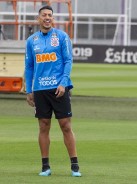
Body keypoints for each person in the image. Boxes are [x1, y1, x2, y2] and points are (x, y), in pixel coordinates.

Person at [25, 5, 81, 177]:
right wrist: (29, 90)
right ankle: (45, 167)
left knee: (65, 125)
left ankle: (75, 166)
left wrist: (63, 83)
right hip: (40, 89)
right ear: (38, 19)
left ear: (53, 18)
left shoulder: (62, 37)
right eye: (44, 15)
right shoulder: (31, 41)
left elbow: (68, 61)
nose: (47, 17)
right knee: (43, 126)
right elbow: (29, 67)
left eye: (50, 15)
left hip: (59, 89)